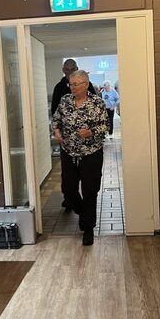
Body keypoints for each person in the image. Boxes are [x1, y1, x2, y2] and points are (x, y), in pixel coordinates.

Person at [52, 70, 108, 245]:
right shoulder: (65, 101)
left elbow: (105, 125)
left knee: (90, 190)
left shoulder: (97, 102)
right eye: (71, 84)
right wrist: (56, 131)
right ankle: (83, 213)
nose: (72, 87)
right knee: (68, 190)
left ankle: (88, 228)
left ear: (86, 84)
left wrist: (90, 132)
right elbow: (56, 120)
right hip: (69, 152)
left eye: (76, 84)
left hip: (91, 153)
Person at [51, 58, 95, 213]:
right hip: (67, 143)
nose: (69, 72)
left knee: (89, 181)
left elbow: (99, 118)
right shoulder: (59, 89)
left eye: (72, 69)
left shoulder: (90, 90)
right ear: (63, 70)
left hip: (88, 145)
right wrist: (57, 129)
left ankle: (85, 214)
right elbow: (55, 113)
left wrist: (91, 130)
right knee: (68, 182)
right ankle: (73, 202)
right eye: (67, 69)